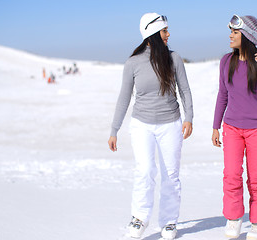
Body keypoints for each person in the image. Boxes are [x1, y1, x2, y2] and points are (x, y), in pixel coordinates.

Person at [107, 13, 193, 239]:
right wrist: (114, 129)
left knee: (171, 174)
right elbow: (124, 97)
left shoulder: (174, 59)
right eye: (165, 31)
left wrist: (189, 117)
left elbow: (184, 90)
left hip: (171, 123)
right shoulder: (133, 62)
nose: (169, 34)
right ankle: (139, 217)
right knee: (145, 171)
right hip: (141, 125)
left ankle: (169, 221)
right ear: (152, 34)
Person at [212, 14, 257, 240]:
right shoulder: (225, 62)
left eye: (235, 32)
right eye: (230, 31)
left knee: (256, 178)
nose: (230, 35)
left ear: (247, 36)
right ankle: (234, 217)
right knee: (231, 174)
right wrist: (215, 126)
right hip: (232, 128)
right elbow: (222, 95)